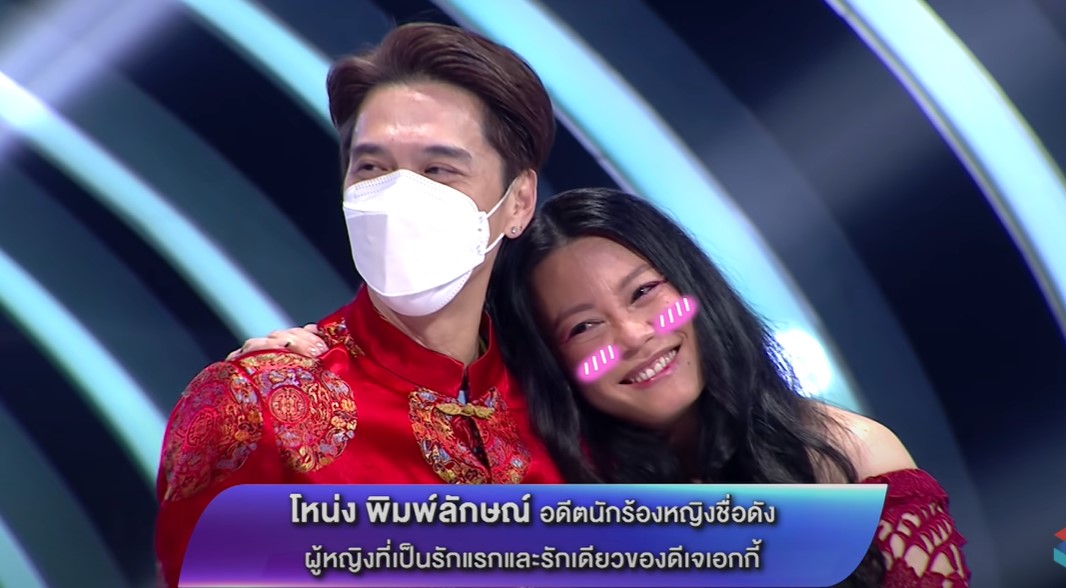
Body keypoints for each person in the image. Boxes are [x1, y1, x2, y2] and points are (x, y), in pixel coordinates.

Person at [249, 188, 971, 587]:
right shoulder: (552, 494)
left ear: (694, 289)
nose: (634, 336)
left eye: (646, 293)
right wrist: (301, 370)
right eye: (584, 329)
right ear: (553, 367)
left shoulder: (848, 454)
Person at [154, 23, 565, 588]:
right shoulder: (253, 404)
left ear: (518, 202)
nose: (398, 197)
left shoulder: (560, 400)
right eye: (371, 167)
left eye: (438, 169)